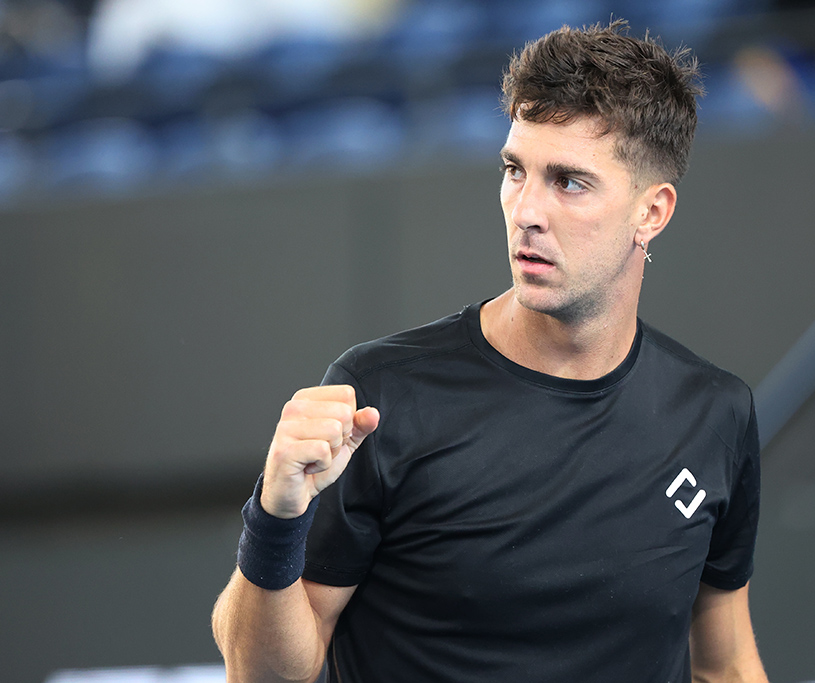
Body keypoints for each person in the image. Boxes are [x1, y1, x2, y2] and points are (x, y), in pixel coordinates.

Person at [212, 20, 768, 683]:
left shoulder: (717, 415)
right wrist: (275, 518)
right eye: (515, 170)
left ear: (652, 212)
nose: (527, 209)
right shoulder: (382, 395)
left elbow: (727, 663)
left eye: (568, 181)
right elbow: (262, 673)